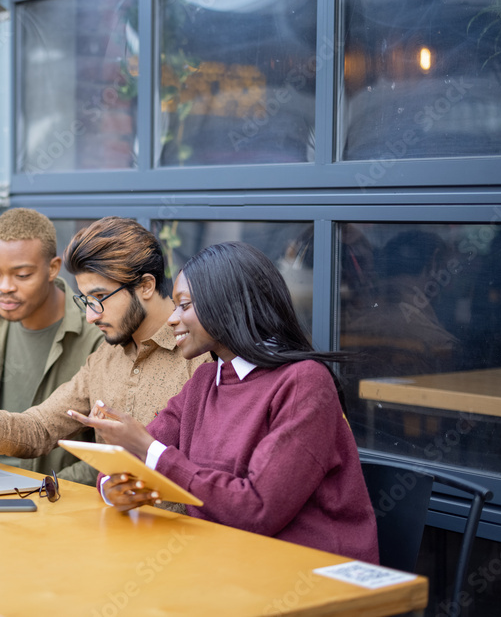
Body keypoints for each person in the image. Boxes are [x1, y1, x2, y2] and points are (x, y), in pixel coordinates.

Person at [69, 241, 378, 563]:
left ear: (228, 304)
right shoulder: (205, 381)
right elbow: (133, 461)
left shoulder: (304, 383)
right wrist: (115, 488)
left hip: (306, 575)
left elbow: (258, 511)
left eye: (184, 305)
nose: (172, 319)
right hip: (221, 561)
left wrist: (150, 450)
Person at [0, 216, 211, 487]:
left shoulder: (203, 358)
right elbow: (39, 428)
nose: (90, 317)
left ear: (145, 285)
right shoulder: (104, 360)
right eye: (86, 301)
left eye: (99, 298)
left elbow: (211, 477)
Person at [0, 208, 105, 480]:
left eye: (22, 275)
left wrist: (47, 489)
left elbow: (104, 453)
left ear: (52, 268)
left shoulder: (95, 334)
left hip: (45, 497)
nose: (4, 287)